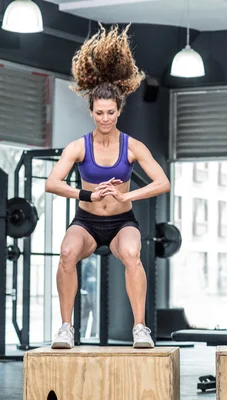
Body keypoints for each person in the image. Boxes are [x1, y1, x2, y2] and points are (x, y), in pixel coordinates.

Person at [45, 25, 170, 349]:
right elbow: (51, 183)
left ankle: (140, 328)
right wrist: (88, 194)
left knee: (132, 253)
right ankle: (66, 328)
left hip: (120, 222)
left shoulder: (132, 146)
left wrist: (127, 195)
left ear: (119, 110)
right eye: (99, 113)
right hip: (86, 221)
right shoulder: (78, 146)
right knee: (67, 252)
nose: (105, 118)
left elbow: (162, 183)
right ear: (91, 111)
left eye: (110, 112)